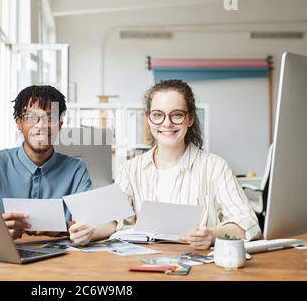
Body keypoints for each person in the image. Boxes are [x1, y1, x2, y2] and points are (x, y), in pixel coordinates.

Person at [69, 79, 261, 249]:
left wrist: (211, 236)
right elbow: (114, 221)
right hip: (143, 267)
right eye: (158, 114)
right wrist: (89, 231)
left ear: (190, 119)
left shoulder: (215, 167)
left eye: (176, 115)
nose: (167, 123)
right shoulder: (131, 169)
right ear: (149, 118)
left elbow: (247, 224)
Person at [0, 85, 92, 240]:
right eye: (31, 118)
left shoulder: (76, 170)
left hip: (63, 259)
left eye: (50, 118)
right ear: (19, 123)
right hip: (6, 255)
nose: (41, 125)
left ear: (59, 125)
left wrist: (63, 227)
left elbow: (89, 223)